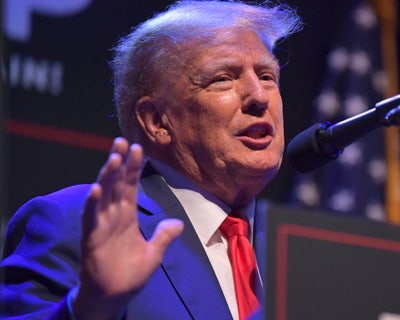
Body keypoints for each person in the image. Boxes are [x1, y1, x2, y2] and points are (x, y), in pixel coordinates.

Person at [0, 1, 302, 319]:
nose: (259, 96)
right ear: (157, 121)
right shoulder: (75, 222)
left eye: (268, 76)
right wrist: (90, 306)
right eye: (223, 78)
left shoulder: (293, 256)